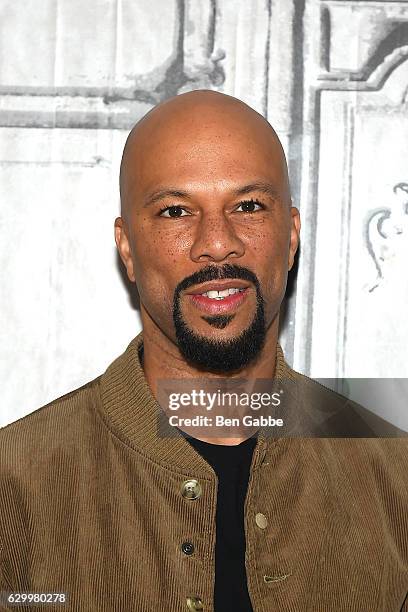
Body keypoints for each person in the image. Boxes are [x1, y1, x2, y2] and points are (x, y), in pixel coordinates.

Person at [0, 90, 407, 612]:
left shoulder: (393, 473)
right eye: (175, 211)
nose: (216, 242)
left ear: (290, 236)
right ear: (127, 247)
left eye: (249, 206)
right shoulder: (17, 484)